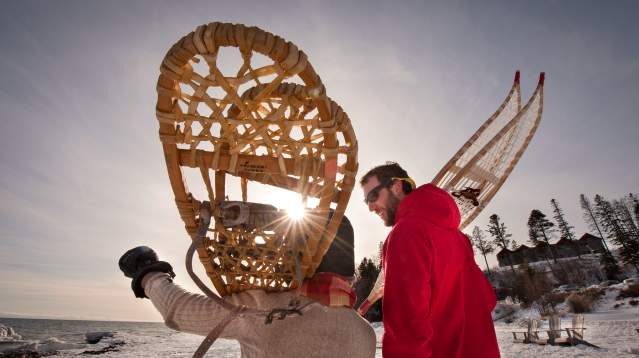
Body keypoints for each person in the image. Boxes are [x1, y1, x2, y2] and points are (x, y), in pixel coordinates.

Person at [118, 214, 376, 358]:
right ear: (349, 273)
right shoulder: (365, 333)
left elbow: (179, 310)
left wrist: (149, 274)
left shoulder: (264, 307)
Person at [360, 162, 500, 357]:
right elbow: (486, 299)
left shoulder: (405, 233)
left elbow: (407, 329)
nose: (370, 207)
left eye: (373, 196)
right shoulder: (459, 238)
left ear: (397, 187)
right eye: (365, 201)